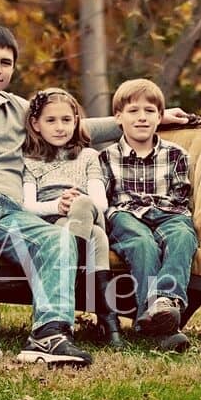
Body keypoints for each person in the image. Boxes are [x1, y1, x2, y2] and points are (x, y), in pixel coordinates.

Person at [0, 25, 188, 367]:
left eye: (6, 62)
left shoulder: (18, 108)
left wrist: (154, 117)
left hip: (9, 211)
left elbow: (73, 126)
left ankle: (50, 331)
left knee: (59, 238)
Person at [99, 79, 197, 352]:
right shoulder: (106, 157)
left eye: (149, 111)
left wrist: (155, 211)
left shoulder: (176, 154)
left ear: (159, 117)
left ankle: (163, 305)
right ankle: (162, 324)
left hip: (168, 213)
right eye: (133, 111)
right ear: (118, 117)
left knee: (182, 236)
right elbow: (106, 199)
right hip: (125, 215)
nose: (141, 117)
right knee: (142, 244)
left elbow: (180, 196)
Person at [22, 87, 122, 348]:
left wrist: (76, 202)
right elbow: (28, 205)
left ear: (76, 121)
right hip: (53, 225)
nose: (59, 127)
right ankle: (109, 323)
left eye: (66, 120)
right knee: (97, 237)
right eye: (51, 120)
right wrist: (58, 205)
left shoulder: (88, 156)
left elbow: (100, 202)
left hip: (89, 213)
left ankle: (69, 282)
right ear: (36, 123)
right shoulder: (30, 161)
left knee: (84, 205)